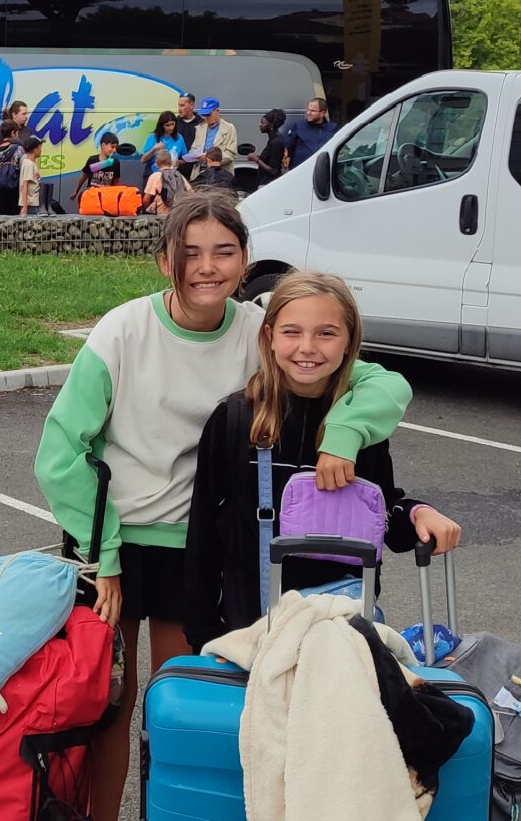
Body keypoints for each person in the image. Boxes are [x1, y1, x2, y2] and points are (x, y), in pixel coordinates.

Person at [33, 191, 412, 821]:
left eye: (224, 252)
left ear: (244, 262)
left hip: (201, 548)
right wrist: (105, 557)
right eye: (190, 252)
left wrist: (344, 434)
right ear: (164, 261)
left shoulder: (260, 330)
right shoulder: (123, 332)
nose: (207, 267)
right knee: (110, 709)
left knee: (182, 706)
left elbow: (380, 383)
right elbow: (59, 454)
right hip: (115, 542)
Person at [183, 271, 461, 651]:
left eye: (327, 333)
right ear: (270, 337)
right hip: (250, 633)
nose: (308, 347)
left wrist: (416, 514)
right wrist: (203, 633)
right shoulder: (236, 420)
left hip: (341, 636)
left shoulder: (360, 424)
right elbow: (203, 535)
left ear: (349, 343)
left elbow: (379, 510)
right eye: (292, 332)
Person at [283, 97, 337, 167]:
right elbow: (288, 148)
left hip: (321, 171)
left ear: (322, 113)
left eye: (313, 111)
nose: (308, 113)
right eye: (308, 110)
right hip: (300, 170)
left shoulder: (332, 128)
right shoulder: (298, 126)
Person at [76, 131, 123, 201]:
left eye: (116, 148)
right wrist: (76, 191)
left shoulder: (115, 162)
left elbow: (116, 181)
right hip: (92, 197)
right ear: (103, 145)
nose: (114, 150)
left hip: (106, 198)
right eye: (112, 147)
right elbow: (84, 176)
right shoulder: (92, 160)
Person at [0, 119, 22, 216]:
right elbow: (20, 168)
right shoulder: (18, 149)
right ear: (13, 133)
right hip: (16, 192)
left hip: (1, 191)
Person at [142, 147, 187, 214]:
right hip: (177, 215)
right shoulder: (178, 175)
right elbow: (191, 193)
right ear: (171, 162)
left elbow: (146, 199)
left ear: (156, 164)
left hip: (161, 215)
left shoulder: (155, 176)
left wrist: (145, 210)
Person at [195, 99, 237, 167]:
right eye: (204, 115)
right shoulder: (200, 128)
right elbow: (194, 148)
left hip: (220, 171)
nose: (206, 118)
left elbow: (231, 154)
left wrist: (210, 159)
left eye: (208, 114)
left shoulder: (229, 128)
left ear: (217, 111)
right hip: (201, 170)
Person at [18, 135, 44, 216]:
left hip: (33, 202)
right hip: (31, 204)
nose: (41, 150)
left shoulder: (30, 163)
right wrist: (25, 207)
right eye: (39, 148)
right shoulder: (29, 164)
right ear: (35, 149)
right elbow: (25, 185)